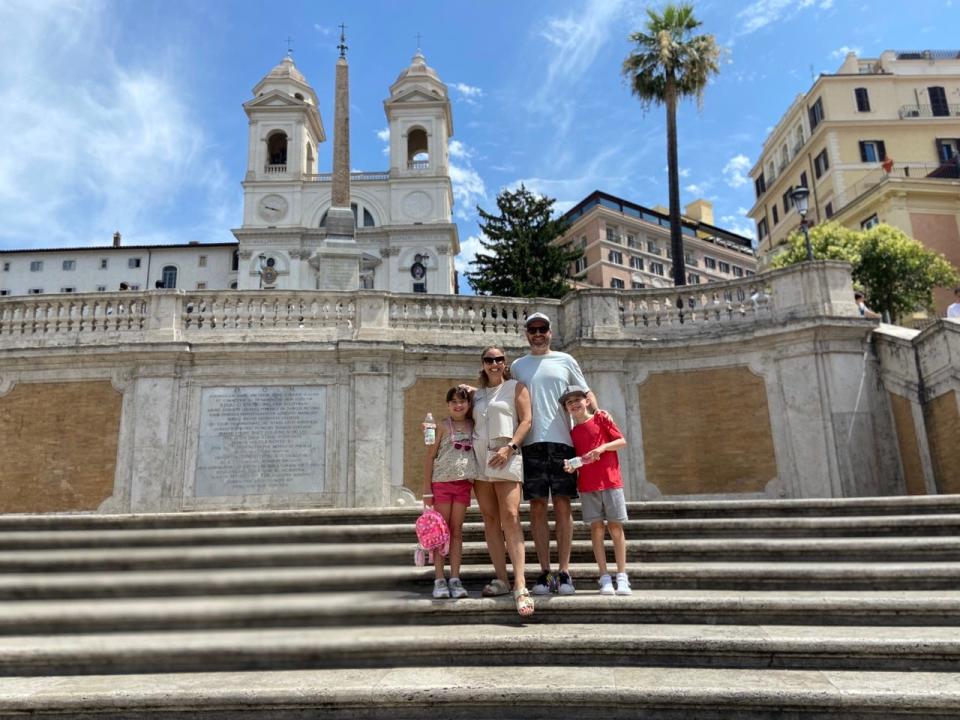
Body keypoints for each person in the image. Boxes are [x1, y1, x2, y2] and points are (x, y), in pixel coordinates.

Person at [511, 312, 597, 596]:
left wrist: (599, 421)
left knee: (562, 505)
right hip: (531, 443)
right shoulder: (517, 366)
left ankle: (564, 571)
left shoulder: (566, 360)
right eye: (532, 329)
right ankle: (545, 572)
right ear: (527, 333)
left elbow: (586, 393)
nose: (537, 333)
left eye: (542, 329)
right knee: (537, 507)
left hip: (563, 443)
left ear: (550, 332)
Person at [471, 345, 534, 617]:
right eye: (489, 359)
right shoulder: (477, 395)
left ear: (504, 362)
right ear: (483, 364)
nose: (494, 363)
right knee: (490, 519)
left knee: (510, 516)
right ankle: (501, 579)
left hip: (505, 454)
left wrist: (511, 447)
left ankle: (520, 584)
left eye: (498, 359)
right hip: (479, 459)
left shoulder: (516, 387)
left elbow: (526, 421)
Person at [560, 385, 631, 596]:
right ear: (566, 408)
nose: (574, 404)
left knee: (616, 528)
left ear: (587, 401)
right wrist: (570, 465)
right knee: (597, 529)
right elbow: (578, 459)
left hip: (610, 481)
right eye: (569, 402)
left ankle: (622, 576)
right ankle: (604, 577)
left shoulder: (601, 418)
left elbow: (621, 441)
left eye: (577, 399)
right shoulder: (572, 433)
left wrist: (602, 448)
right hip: (588, 485)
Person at [422, 386, 478, 600]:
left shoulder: (473, 425)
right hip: (442, 484)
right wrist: (427, 491)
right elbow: (429, 457)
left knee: (456, 531)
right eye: (454, 401)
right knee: (439, 532)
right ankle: (439, 579)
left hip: (463, 484)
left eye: (462, 401)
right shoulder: (441, 426)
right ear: (448, 405)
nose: (458, 405)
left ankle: (455, 578)